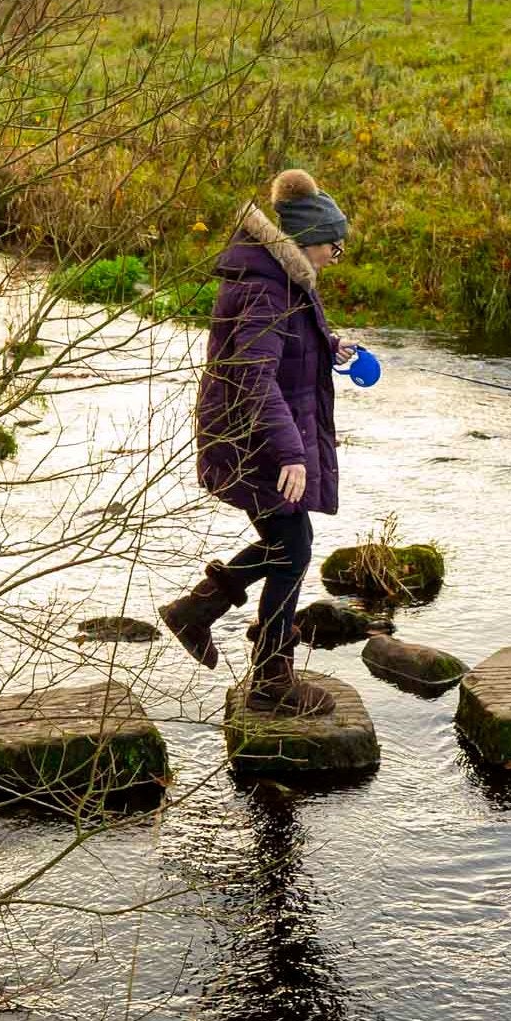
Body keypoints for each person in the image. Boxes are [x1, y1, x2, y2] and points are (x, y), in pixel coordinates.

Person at [160, 168, 357, 716]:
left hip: (254, 433)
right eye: (333, 248)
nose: (334, 258)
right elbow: (251, 372)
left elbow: (281, 349)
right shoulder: (267, 287)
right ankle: (270, 676)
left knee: (289, 545)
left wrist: (329, 345)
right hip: (252, 439)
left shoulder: (281, 276)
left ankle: (198, 612)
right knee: (292, 546)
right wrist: (291, 452)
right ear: (309, 240)